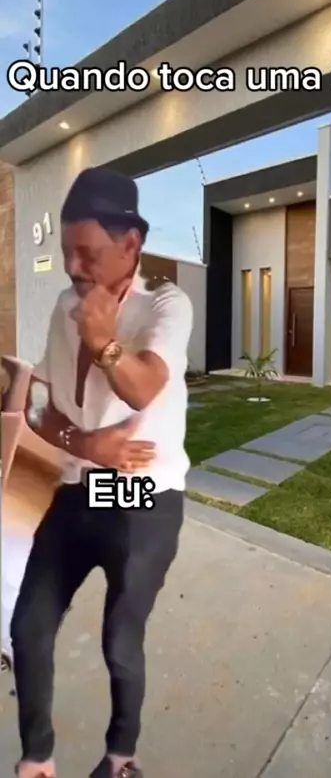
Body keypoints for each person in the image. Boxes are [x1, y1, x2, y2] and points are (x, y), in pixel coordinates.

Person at [11, 167, 193, 778]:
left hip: (146, 495)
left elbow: (142, 387)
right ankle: (36, 758)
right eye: (66, 251)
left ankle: (120, 758)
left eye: (86, 253)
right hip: (78, 488)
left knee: (120, 638)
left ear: (131, 244)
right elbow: (41, 410)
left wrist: (105, 342)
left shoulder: (165, 304)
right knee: (28, 626)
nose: (72, 266)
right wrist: (87, 443)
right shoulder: (64, 306)